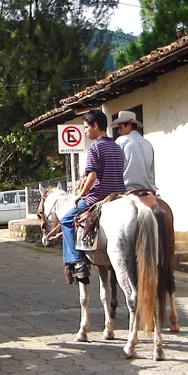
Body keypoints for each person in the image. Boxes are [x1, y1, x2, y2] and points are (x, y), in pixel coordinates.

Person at [61, 110, 126, 284]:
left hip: (98, 197)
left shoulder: (94, 147)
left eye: (86, 127)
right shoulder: (117, 147)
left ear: (95, 126)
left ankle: (77, 261)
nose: (84, 132)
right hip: (119, 195)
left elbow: (92, 177)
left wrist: (79, 196)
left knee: (66, 220)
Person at [112, 111, 156, 193]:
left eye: (120, 127)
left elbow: (114, 167)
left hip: (127, 189)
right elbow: (152, 171)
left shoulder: (121, 141)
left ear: (129, 126)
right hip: (149, 190)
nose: (118, 131)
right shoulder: (148, 144)